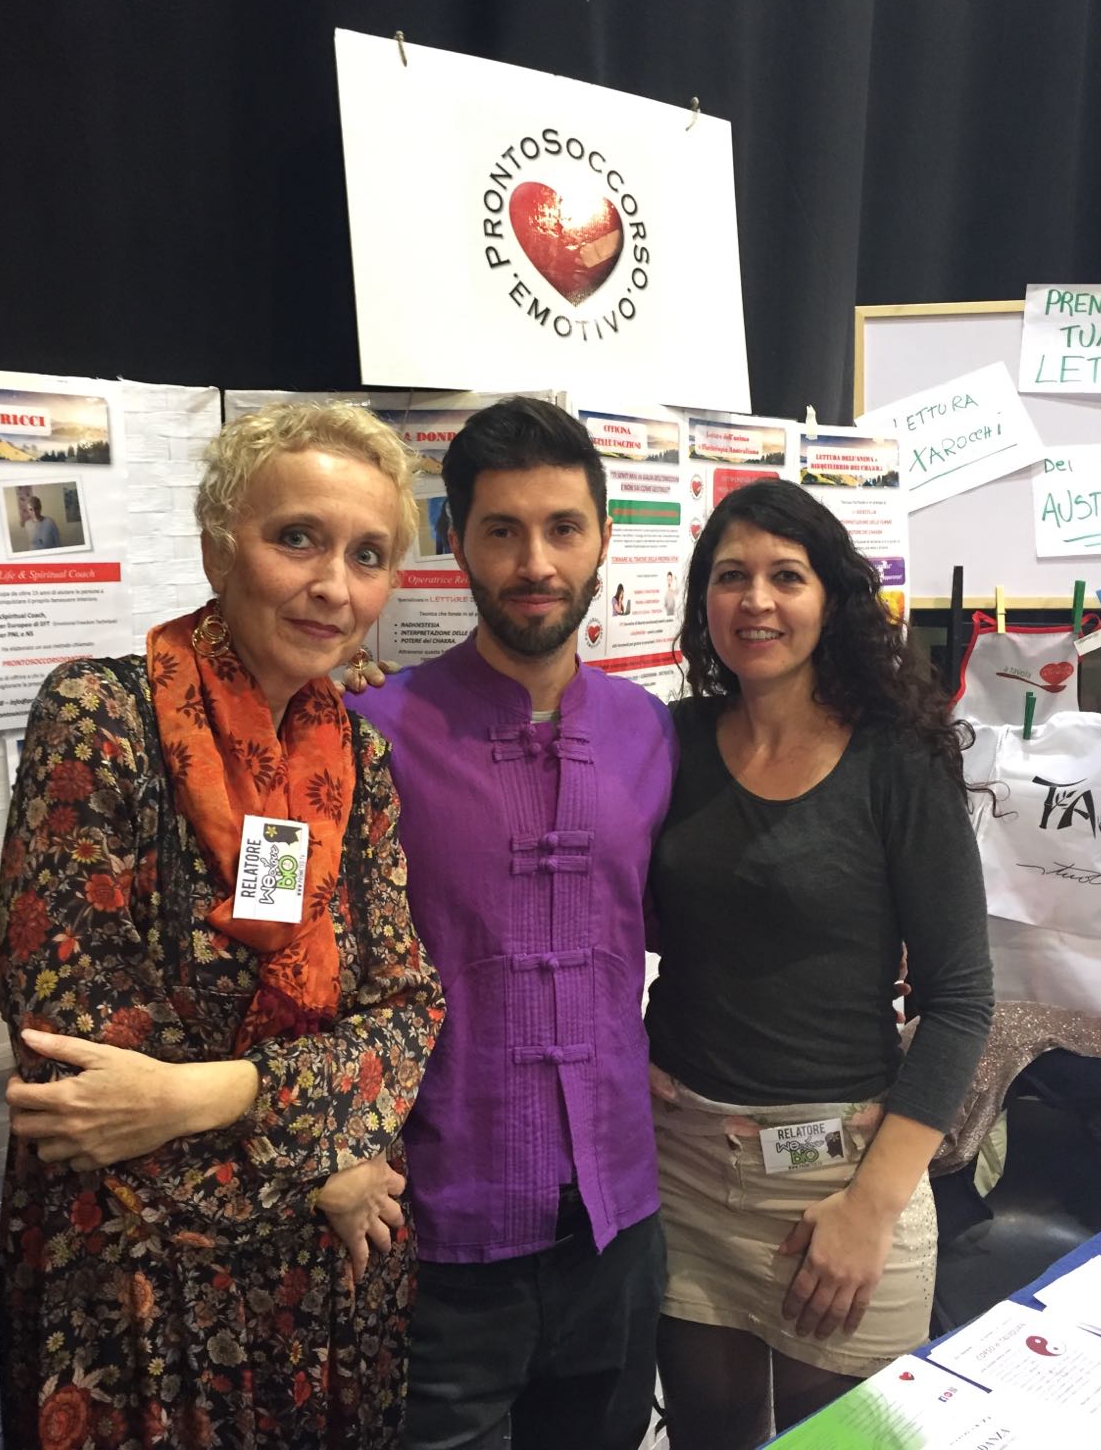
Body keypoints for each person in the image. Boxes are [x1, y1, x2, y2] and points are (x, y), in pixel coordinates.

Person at [0, 402, 445, 1450]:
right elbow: (85, 1084)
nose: (334, 585)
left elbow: (408, 1019)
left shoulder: (357, 760)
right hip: (140, 1289)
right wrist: (326, 1164)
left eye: (368, 555)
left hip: (331, 1283)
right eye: (298, 537)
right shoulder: (100, 722)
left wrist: (212, 1092)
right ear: (216, 546)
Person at [344, 398, 677, 1450]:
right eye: (503, 530)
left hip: (618, 1223)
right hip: (440, 1229)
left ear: (603, 538)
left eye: (563, 528)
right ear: (456, 540)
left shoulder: (649, 730)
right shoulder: (371, 732)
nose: (536, 562)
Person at [645, 481, 993, 1449]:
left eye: (786, 576)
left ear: (831, 597)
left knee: (843, 1442)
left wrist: (872, 1207)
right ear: (703, 601)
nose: (756, 600)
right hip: (682, 1165)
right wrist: (619, 1053)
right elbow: (603, 921)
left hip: (841, 1173)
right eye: (731, 576)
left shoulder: (898, 757)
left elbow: (961, 998)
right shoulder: (672, 741)